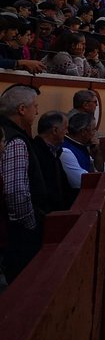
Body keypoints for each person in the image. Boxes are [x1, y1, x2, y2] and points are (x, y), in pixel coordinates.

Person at [0, 84, 48, 280]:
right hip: (17, 234)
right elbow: (15, 191)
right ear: (22, 109)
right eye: (35, 106)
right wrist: (31, 225)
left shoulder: (6, 133)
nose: (37, 111)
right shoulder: (16, 141)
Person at [60, 111, 105, 205]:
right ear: (84, 132)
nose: (96, 134)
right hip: (73, 203)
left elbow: (100, 171)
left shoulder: (82, 145)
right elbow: (82, 182)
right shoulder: (66, 151)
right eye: (93, 130)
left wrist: (97, 152)